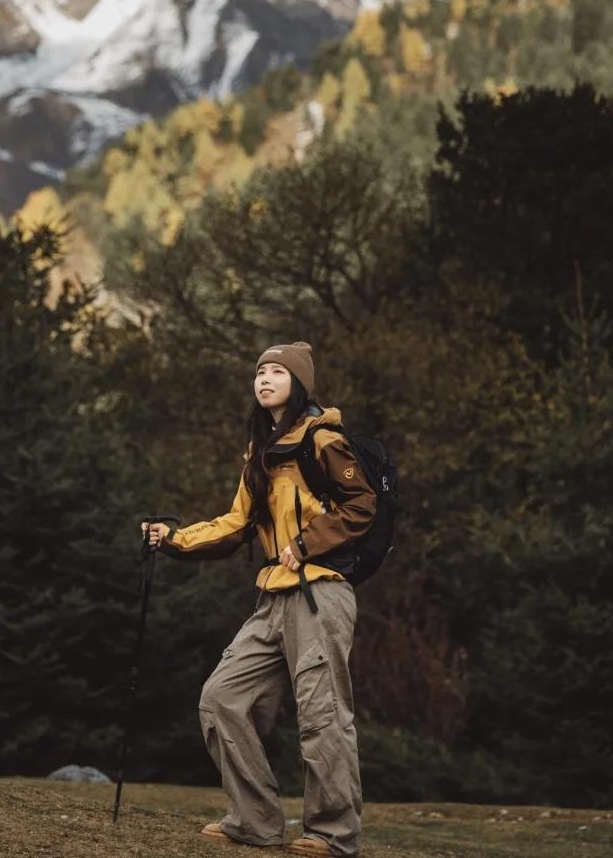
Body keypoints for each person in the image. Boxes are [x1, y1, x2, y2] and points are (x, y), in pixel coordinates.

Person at [142, 340, 377, 857]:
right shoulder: (262, 452)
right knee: (221, 698)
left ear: (299, 383)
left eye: (276, 371)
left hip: (320, 593)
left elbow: (362, 503)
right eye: (260, 372)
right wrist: (173, 538)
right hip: (272, 599)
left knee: (321, 715)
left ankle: (333, 835)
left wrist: (305, 544)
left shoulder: (323, 439)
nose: (264, 379)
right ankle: (255, 822)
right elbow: (237, 523)